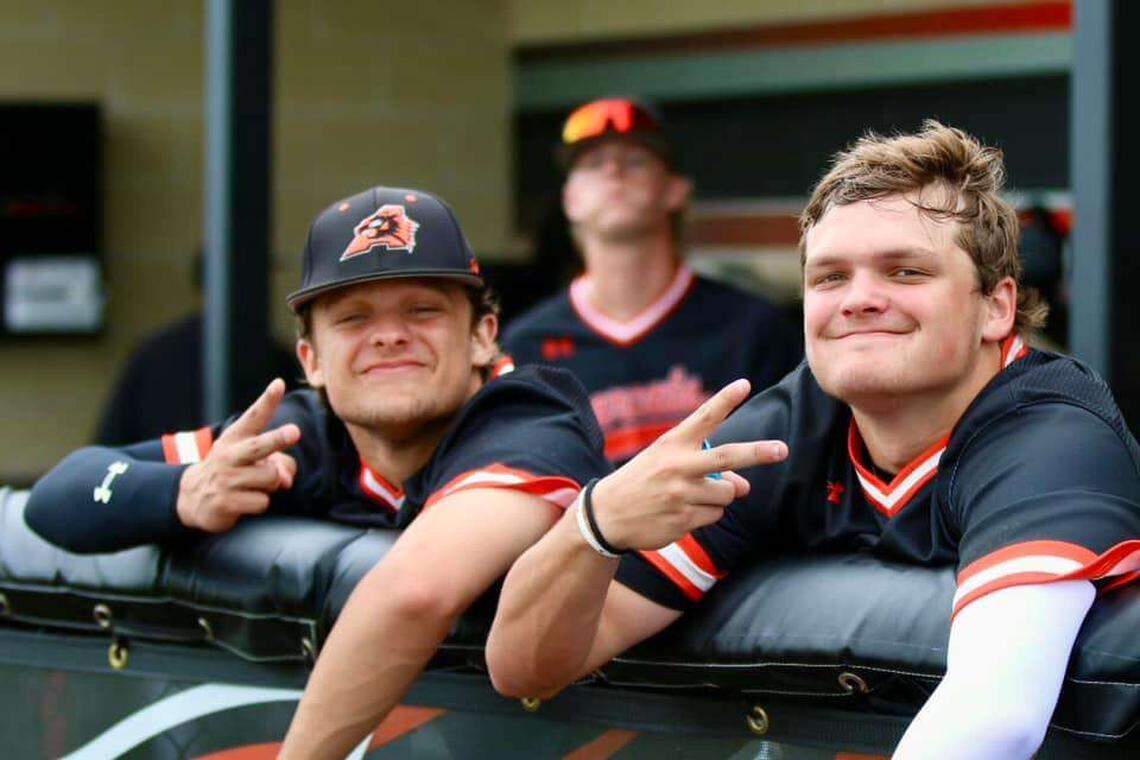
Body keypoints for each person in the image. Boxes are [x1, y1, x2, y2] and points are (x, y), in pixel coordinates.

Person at [485, 122, 1140, 759]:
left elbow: (994, 718)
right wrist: (593, 525)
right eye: (830, 277)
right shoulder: (788, 426)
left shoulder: (1053, 432)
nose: (858, 299)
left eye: (906, 271)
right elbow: (525, 667)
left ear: (996, 307)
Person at [24, 186, 610, 759]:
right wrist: (185, 492)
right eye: (353, 318)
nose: (388, 334)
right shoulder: (303, 430)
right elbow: (58, 494)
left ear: (483, 337)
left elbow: (414, 592)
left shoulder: (530, 418)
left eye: (423, 310)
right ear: (312, 360)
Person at [502, 98, 801, 464]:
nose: (613, 171)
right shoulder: (526, 345)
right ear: (570, 200)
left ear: (675, 190)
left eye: (635, 160)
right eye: (593, 164)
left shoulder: (754, 329)